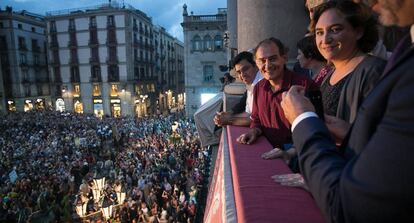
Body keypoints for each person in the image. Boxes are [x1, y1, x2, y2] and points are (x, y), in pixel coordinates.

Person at [280, 0, 414, 222]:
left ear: (359, 31)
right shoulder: (327, 74)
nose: (325, 40)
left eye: (336, 30)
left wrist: (302, 118)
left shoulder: (372, 71)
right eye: (320, 32)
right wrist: (295, 151)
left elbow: (372, 148)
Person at [237, 37, 317, 148]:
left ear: (284, 58)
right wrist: (254, 131)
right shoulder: (258, 88)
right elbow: (256, 119)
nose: (267, 65)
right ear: (256, 63)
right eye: (262, 61)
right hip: (267, 153)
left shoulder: (305, 85)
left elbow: (315, 127)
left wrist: (290, 152)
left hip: (298, 155)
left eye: (273, 59)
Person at [214, 51, 262, 127]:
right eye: (239, 72)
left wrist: (229, 120)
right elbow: (248, 113)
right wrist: (228, 116)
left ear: (256, 66)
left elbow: (257, 120)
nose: (242, 75)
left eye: (246, 69)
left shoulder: (262, 84)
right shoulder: (251, 84)